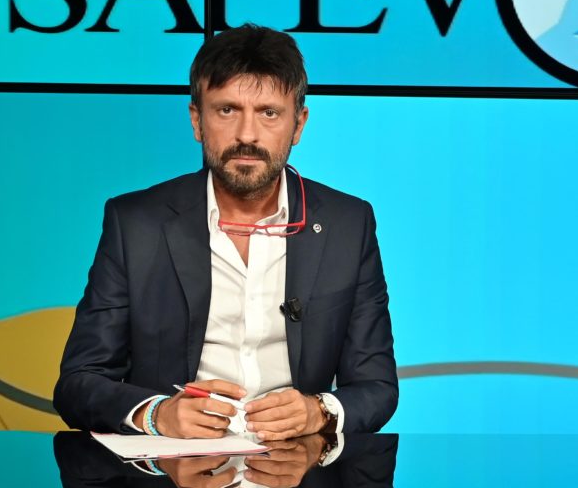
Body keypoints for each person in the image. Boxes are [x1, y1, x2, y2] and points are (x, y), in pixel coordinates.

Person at [55, 24, 397, 439]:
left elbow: (377, 387)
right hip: (172, 472)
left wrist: (318, 411)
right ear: (197, 120)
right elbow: (78, 383)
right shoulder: (136, 223)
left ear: (299, 124)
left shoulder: (348, 224)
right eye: (227, 110)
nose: (247, 135)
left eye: (269, 113)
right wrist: (156, 414)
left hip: (298, 470)